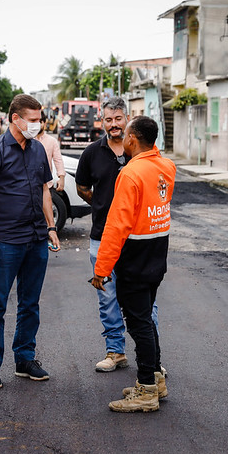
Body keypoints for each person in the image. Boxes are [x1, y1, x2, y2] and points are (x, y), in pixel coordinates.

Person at [0, 94, 61, 389]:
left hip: (36, 238)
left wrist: (51, 227)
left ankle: (25, 359)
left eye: (40, 120)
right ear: (16, 118)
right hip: (6, 241)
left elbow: (45, 191)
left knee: (30, 304)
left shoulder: (38, 150)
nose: (38, 125)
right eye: (33, 120)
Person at [91, 115, 175, 413]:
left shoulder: (130, 173)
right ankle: (155, 379)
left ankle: (147, 390)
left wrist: (101, 270)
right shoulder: (165, 166)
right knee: (146, 320)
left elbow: (116, 227)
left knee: (138, 324)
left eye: (126, 134)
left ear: (133, 140)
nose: (123, 138)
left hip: (135, 259)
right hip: (156, 256)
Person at [76, 97, 159, 372]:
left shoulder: (142, 152)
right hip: (102, 236)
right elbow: (82, 188)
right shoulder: (91, 153)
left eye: (118, 119)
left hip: (137, 240)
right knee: (107, 297)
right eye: (109, 120)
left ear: (128, 121)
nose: (114, 125)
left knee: (146, 302)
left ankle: (151, 360)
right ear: (102, 121)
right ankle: (115, 351)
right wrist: (103, 207)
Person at [36, 127, 65, 192]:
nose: (37, 124)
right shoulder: (27, 140)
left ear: (45, 123)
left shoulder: (52, 141)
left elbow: (58, 160)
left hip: (47, 185)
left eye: (40, 122)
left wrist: (61, 177)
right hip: (29, 186)